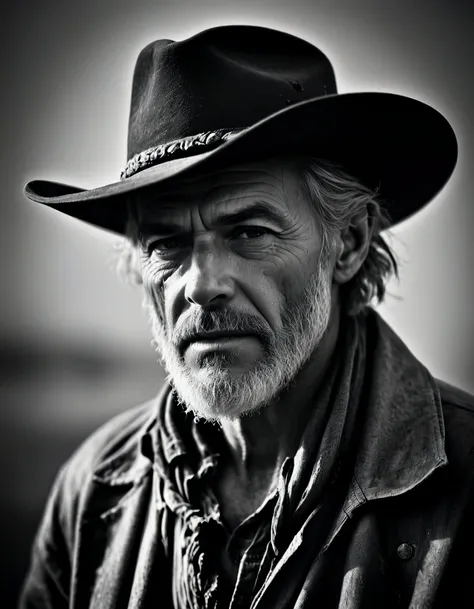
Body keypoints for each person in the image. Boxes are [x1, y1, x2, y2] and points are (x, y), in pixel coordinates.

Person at [20, 25, 474, 609]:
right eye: (166, 243)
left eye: (249, 232)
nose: (202, 285)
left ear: (349, 243)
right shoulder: (92, 492)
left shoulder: (463, 486)